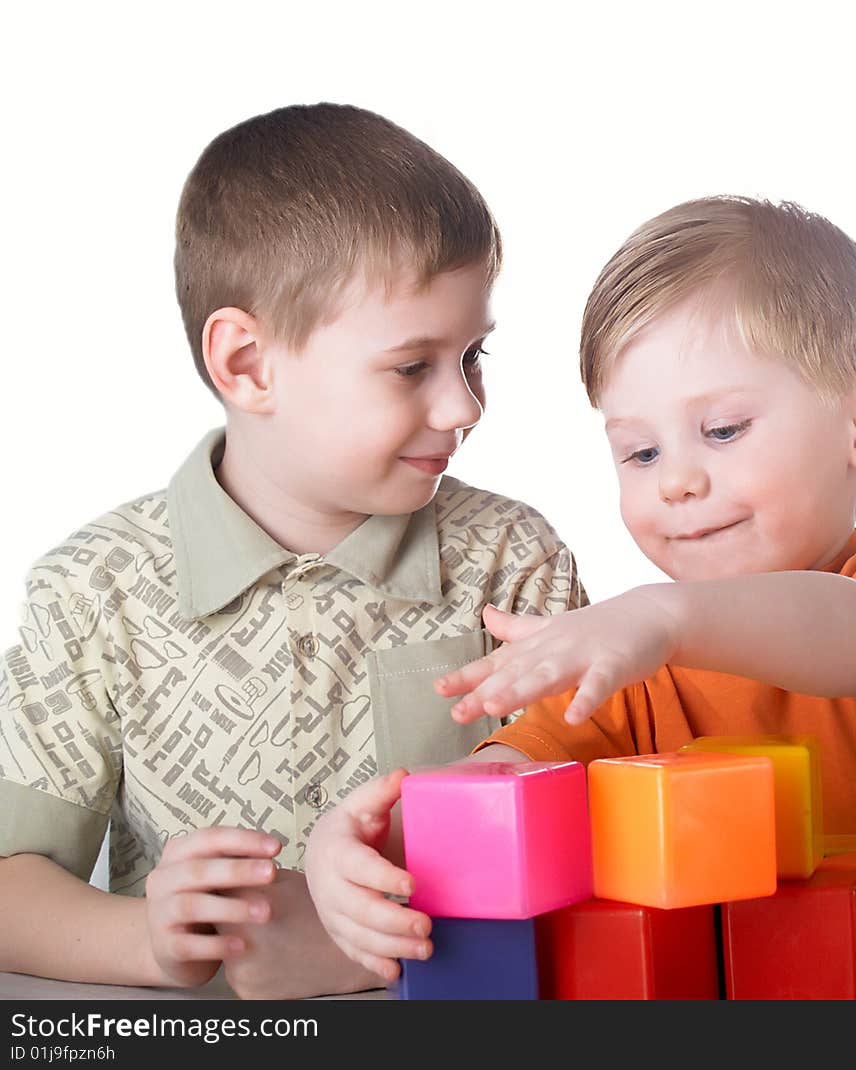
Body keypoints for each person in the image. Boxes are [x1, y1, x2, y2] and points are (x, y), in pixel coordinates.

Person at [0, 103, 585, 999]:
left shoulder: (512, 558)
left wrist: (367, 937)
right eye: (411, 366)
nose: (464, 407)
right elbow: (11, 881)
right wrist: (150, 941)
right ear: (247, 365)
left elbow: (596, 833)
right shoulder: (94, 591)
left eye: (474, 356)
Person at [306, 195, 856, 982]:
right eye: (640, 452)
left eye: (722, 431)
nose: (677, 480)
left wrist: (663, 615)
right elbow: (502, 785)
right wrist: (373, 841)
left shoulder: (826, 604)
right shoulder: (634, 665)